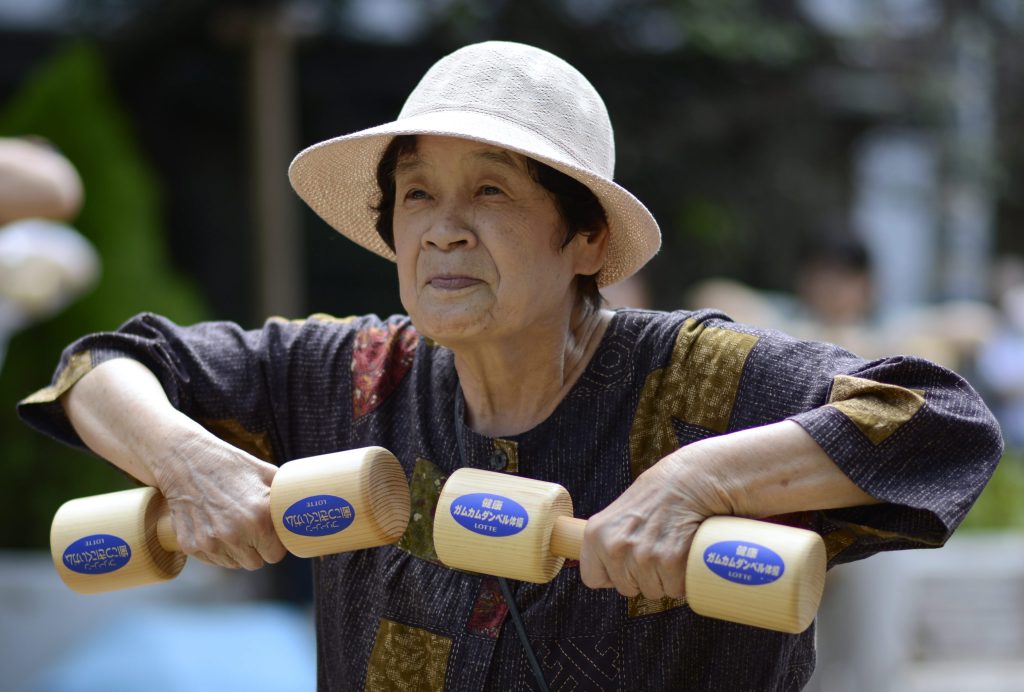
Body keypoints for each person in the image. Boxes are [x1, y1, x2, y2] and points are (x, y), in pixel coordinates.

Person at [18, 41, 1002, 690]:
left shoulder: (699, 379)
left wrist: (697, 479)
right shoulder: (345, 373)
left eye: (488, 191)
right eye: (415, 196)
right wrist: (188, 463)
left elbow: (940, 421)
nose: (442, 230)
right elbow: (101, 362)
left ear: (584, 241)